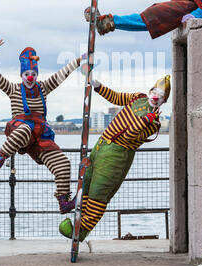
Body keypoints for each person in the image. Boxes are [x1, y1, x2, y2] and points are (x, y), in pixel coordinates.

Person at [59, 75, 171, 242]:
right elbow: (117, 97)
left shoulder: (154, 124)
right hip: (102, 145)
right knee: (86, 181)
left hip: (117, 155)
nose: (156, 97)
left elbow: (129, 135)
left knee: (99, 192)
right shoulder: (138, 98)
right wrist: (97, 86)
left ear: (164, 101)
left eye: (161, 96)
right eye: (155, 92)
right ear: (150, 90)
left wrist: (146, 121)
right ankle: (75, 207)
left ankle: (82, 229)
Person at [0, 37, 85, 215]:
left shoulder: (44, 87)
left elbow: (62, 74)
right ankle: (0, 157)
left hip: (40, 135)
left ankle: (64, 201)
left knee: (63, 163)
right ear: (21, 75)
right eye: (26, 74)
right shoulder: (13, 89)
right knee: (25, 129)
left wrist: (79, 60)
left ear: (37, 75)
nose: (30, 77)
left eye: (33, 74)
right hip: (19, 130)